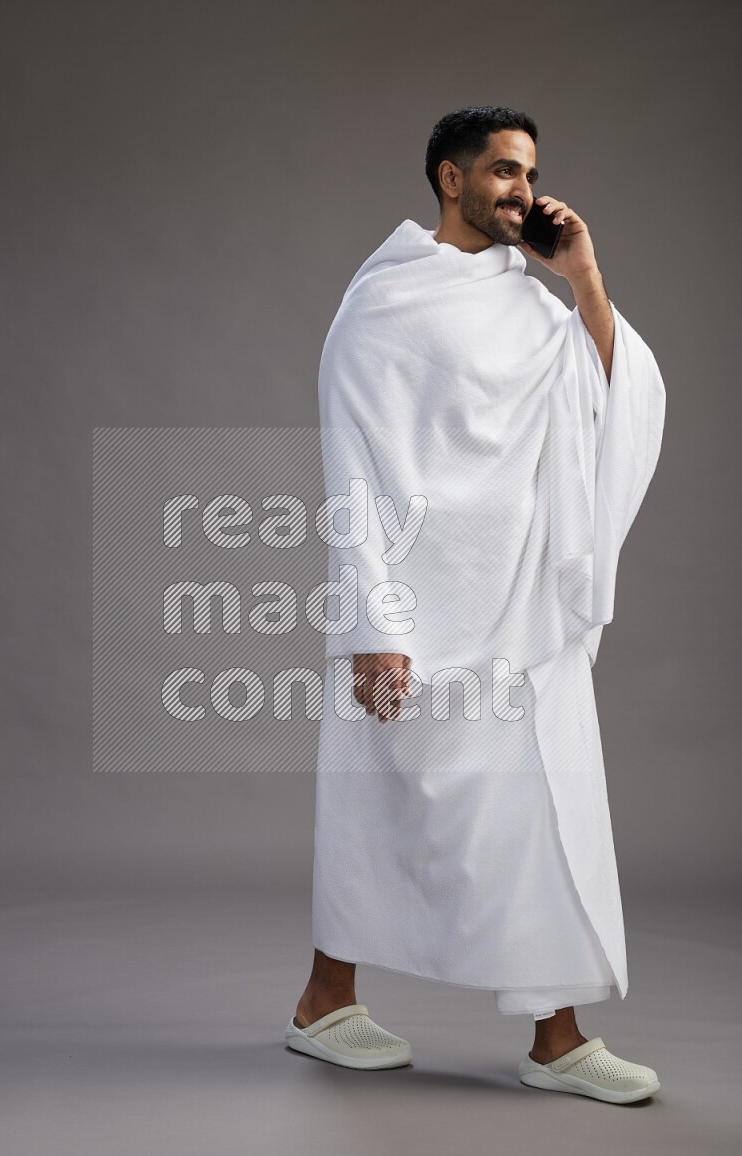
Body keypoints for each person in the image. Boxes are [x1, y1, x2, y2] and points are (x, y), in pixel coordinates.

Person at [285, 106, 666, 1104]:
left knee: (545, 811)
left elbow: (611, 400)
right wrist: (372, 627)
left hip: (522, 605)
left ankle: (558, 1038)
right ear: (449, 180)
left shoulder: (533, 307)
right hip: (416, 607)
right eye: (501, 170)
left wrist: (581, 277)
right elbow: (352, 471)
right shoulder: (382, 304)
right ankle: (323, 1004)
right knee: (380, 806)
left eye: (528, 172)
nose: (521, 191)